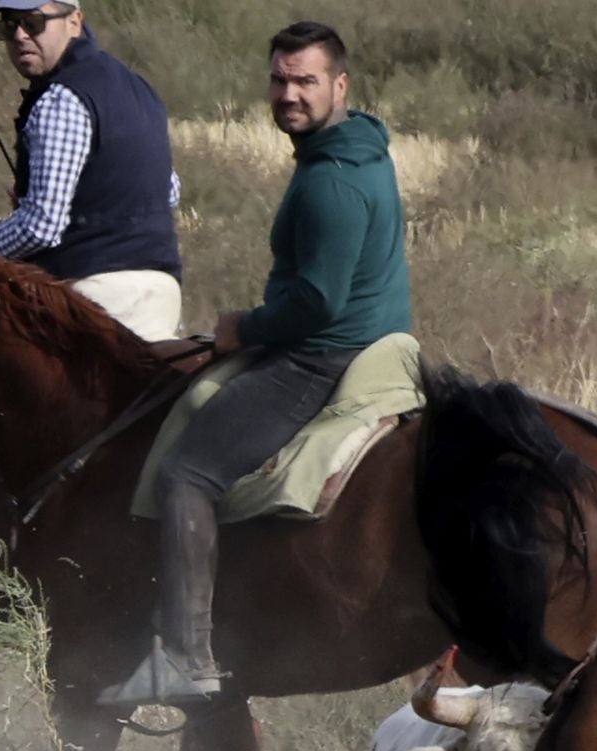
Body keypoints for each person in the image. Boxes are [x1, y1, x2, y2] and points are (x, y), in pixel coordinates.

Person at [99, 21, 411, 708]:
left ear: (340, 84)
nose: (290, 94)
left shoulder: (331, 183)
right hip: (374, 343)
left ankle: (187, 655)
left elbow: (317, 305)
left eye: (305, 81)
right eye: (280, 79)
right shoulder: (363, 147)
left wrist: (243, 328)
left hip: (318, 357)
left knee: (188, 470)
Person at [0, 0, 183, 341]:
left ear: (74, 21)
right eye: (8, 26)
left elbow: (42, 226)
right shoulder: (141, 90)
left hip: (94, 295)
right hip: (163, 291)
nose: (20, 35)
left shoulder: (61, 99)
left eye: (33, 22)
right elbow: (168, 191)